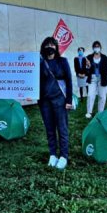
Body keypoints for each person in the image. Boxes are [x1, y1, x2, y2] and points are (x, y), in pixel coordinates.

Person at [39, 37, 72, 170]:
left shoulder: (62, 61)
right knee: (49, 128)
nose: (50, 47)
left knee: (62, 128)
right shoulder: (40, 62)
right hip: (44, 100)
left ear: (56, 47)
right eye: (47, 45)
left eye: (52, 45)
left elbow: (69, 81)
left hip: (59, 100)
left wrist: (69, 100)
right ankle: (53, 154)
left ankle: (64, 155)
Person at [85, 41, 107, 118]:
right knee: (90, 95)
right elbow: (86, 71)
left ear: (100, 47)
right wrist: (88, 66)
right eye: (95, 46)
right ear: (93, 48)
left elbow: (106, 69)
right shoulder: (89, 57)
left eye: (98, 46)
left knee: (102, 96)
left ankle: (100, 112)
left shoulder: (104, 57)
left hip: (102, 78)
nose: (96, 48)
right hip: (92, 78)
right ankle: (89, 112)